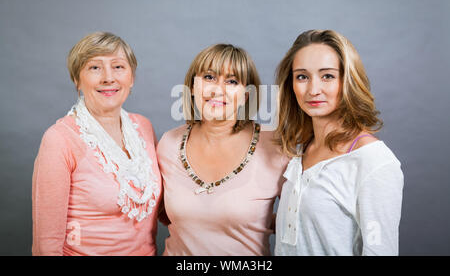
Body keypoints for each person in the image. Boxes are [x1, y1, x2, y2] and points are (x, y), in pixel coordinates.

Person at [274, 29, 404, 256]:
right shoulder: (298, 151)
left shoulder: (373, 162)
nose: (313, 90)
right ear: (291, 84)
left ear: (348, 81)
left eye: (328, 76)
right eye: (302, 76)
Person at [32, 32, 162, 255]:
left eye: (118, 67)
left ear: (131, 77)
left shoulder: (143, 127)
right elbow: (47, 243)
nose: (108, 78)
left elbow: (168, 209)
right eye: (95, 68)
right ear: (77, 79)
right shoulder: (60, 139)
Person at [157, 44, 289, 255]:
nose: (218, 90)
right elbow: (159, 213)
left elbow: (295, 224)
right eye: (209, 77)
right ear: (192, 86)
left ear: (247, 94)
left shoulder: (275, 146)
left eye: (232, 81)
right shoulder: (168, 143)